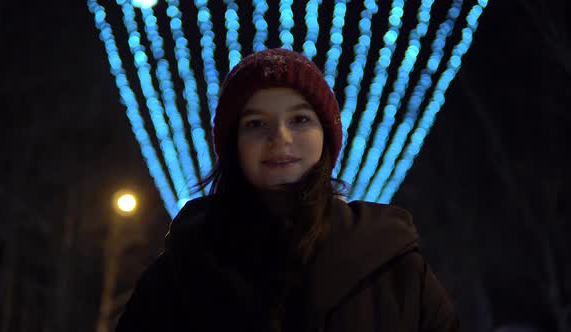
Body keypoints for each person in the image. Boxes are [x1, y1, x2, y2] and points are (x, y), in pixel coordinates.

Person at [115, 48, 460, 332]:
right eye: (256, 124)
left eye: (300, 119)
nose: (279, 136)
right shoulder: (181, 269)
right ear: (233, 144)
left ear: (326, 134)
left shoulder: (393, 264)